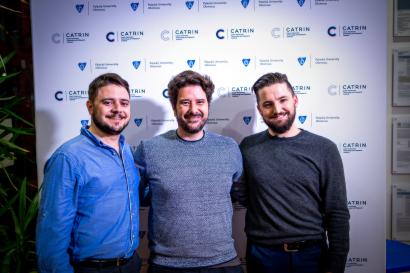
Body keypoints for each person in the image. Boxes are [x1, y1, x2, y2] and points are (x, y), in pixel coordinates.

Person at [234, 72, 349, 273]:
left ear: (295, 100)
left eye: (282, 100)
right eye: (267, 104)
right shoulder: (247, 148)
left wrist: (336, 265)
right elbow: (242, 196)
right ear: (260, 110)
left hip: (311, 255)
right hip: (262, 255)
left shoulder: (324, 148)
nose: (277, 109)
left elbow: (337, 212)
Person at [134, 70, 243, 273]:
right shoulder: (149, 149)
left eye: (200, 102)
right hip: (167, 266)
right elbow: (136, 197)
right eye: (185, 102)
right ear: (174, 107)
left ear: (208, 105)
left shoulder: (229, 148)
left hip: (224, 263)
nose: (194, 109)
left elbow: (238, 194)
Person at [36, 73, 141, 273]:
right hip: (92, 269)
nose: (118, 109)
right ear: (90, 107)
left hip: (130, 265)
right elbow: (52, 233)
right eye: (108, 102)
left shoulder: (126, 150)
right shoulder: (68, 158)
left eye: (124, 103)